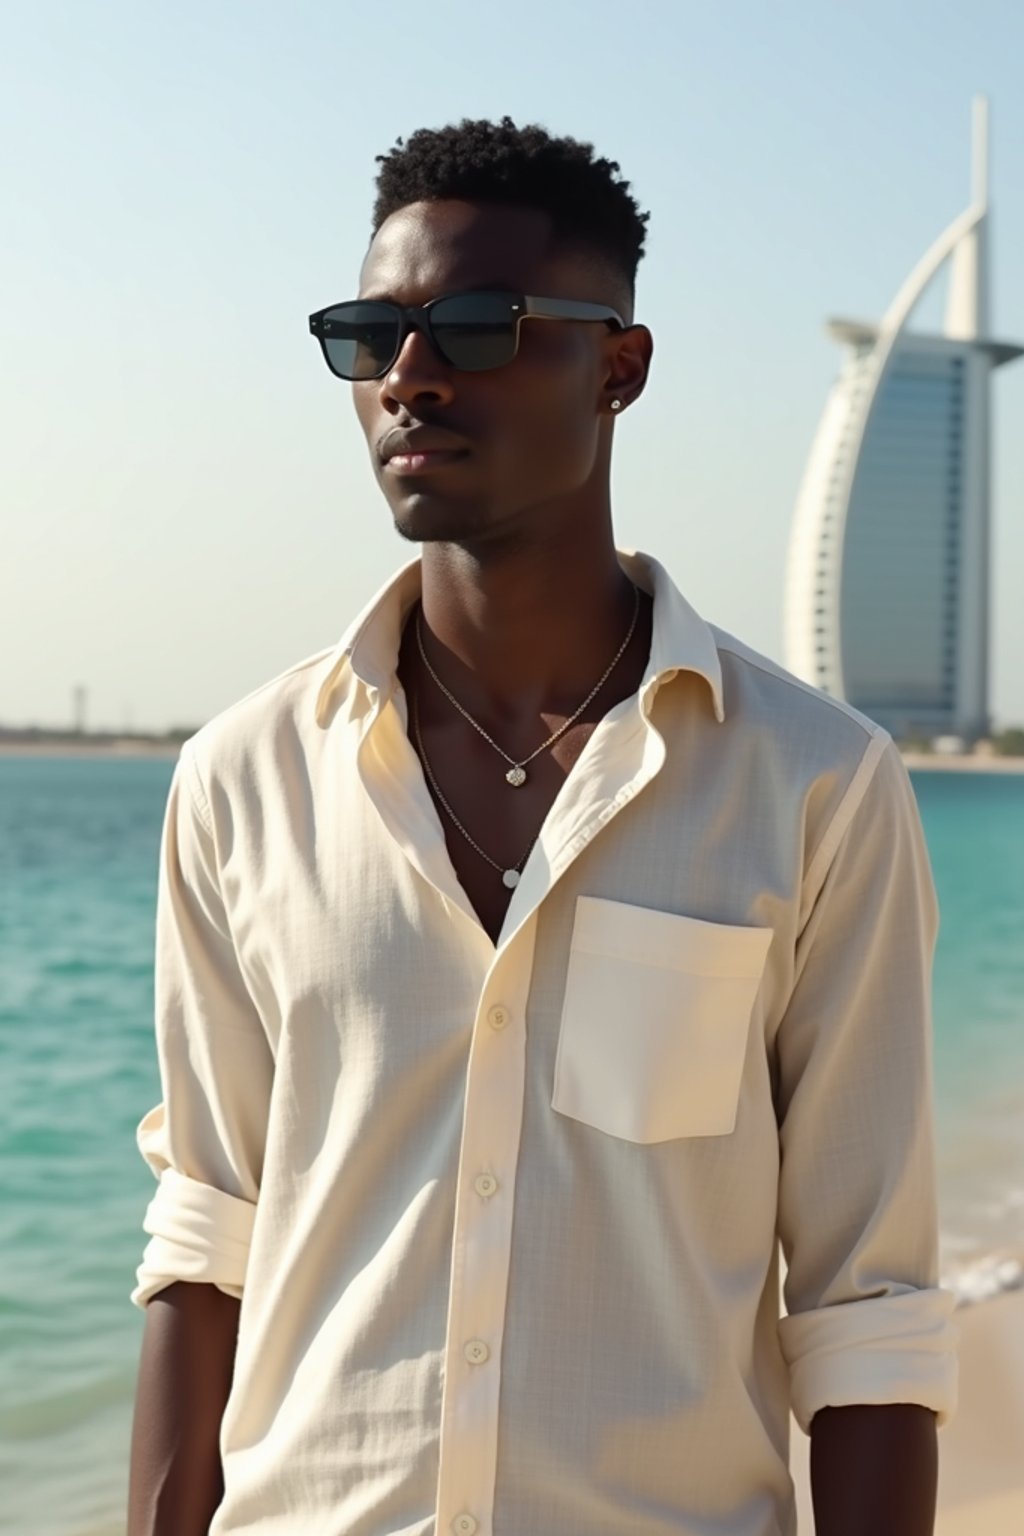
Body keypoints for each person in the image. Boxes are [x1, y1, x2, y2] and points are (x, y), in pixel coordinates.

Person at [127, 118, 957, 1536]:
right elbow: (211, 1237)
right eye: (369, 336)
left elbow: (866, 1308)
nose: (409, 380)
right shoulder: (240, 779)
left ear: (619, 367)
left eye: (474, 327)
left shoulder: (816, 785)